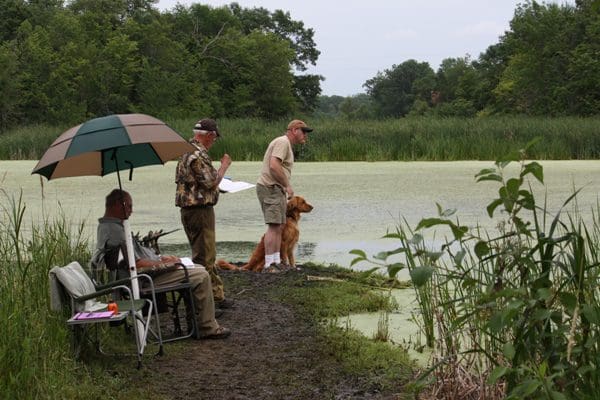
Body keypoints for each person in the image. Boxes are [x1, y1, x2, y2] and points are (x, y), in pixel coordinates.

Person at [96, 188, 231, 340]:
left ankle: (197, 321)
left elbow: (133, 260)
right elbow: (135, 265)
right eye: (129, 206)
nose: (131, 211)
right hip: (141, 279)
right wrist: (165, 264)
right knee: (200, 274)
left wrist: (162, 259)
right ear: (117, 205)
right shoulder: (115, 231)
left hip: (140, 275)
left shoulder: (109, 227)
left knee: (196, 268)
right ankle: (206, 327)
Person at [175, 118, 233, 308]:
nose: (214, 142)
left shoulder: (185, 150)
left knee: (206, 254)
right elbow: (209, 182)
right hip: (199, 211)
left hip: (192, 209)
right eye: (214, 138)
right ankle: (205, 304)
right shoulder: (197, 154)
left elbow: (196, 183)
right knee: (204, 258)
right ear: (209, 135)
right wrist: (224, 166)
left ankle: (216, 296)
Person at [256, 119, 313, 272]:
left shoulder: (286, 144)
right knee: (274, 226)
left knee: (279, 226)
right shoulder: (283, 142)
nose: (305, 136)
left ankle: (276, 261)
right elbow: (274, 165)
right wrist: (287, 185)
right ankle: (269, 264)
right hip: (271, 188)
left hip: (276, 189)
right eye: (303, 132)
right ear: (294, 130)